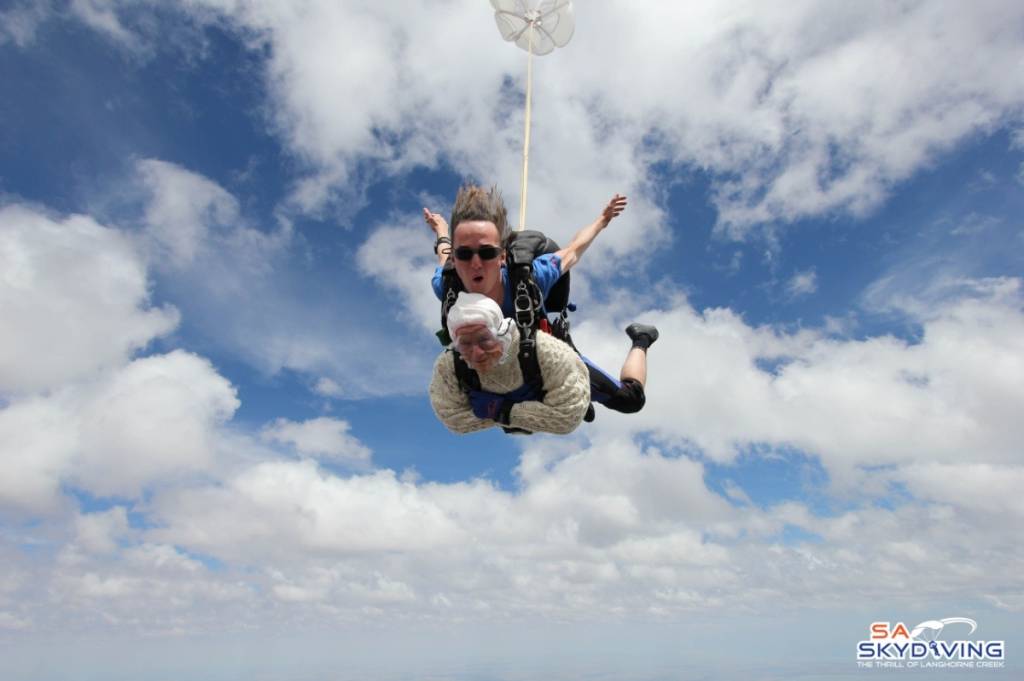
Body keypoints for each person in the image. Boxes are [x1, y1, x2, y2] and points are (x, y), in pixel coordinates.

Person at [425, 184, 658, 415]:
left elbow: (574, 250)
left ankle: (642, 338)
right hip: (493, 372)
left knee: (630, 401)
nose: (476, 263)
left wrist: (602, 220)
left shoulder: (531, 279)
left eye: (487, 253)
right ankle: (563, 401)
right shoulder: (448, 289)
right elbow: (443, 254)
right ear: (455, 261)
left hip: (544, 361)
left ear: (503, 257)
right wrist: (441, 230)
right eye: (465, 254)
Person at [430, 292, 591, 435]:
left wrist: (502, 411)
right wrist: (530, 412)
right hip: (543, 394)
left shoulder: (546, 351)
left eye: (485, 339)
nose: (477, 353)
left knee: (611, 394)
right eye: (465, 344)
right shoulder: (450, 365)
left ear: (502, 333)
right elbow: (453, 420)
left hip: (561, 374)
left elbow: (567, 417)